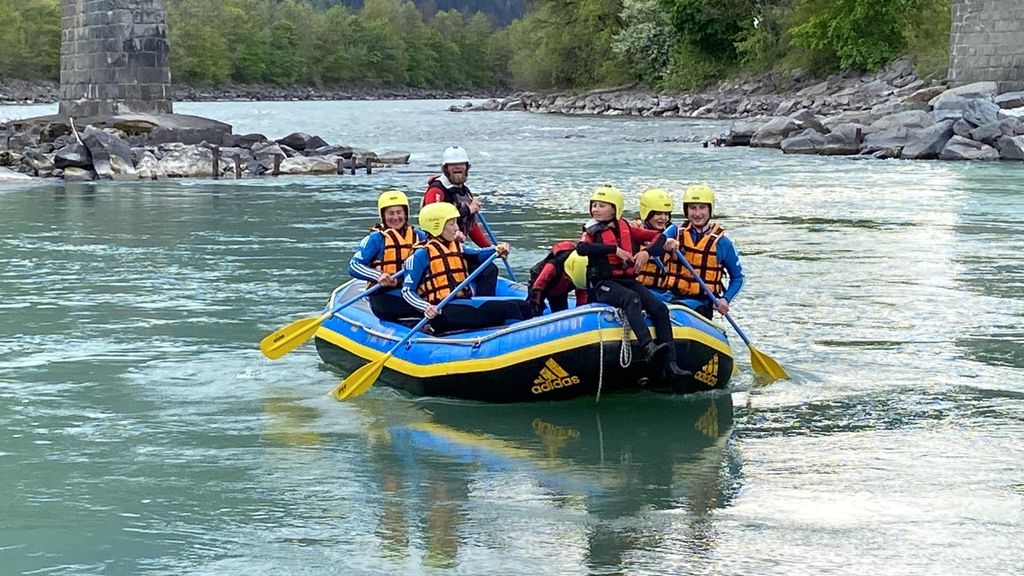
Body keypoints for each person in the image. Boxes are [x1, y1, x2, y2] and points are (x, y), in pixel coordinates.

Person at [576, 186, 690, 378]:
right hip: (604, 285)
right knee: (632, 299)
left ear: (615, 209)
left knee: (660, 309)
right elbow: (582, 248)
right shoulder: (592, 230)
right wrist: (614, 250)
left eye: (602, 206)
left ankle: (671, 365)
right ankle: (648, 347)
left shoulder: (627, 228)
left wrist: (647, 252)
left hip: (626, 280)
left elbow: (658, 237)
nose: (596, 209)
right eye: (594, 205)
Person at [402, 202, 534, 334]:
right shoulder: (421, 255)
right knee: (511, 309)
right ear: (436, 226)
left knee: (523, 306)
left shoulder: (456, 246)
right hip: (442, 311)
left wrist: (497, 250)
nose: (456, 228)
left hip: (461, 302)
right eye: (452, 224)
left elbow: (477, 254)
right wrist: (426, 307)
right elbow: (407, 291)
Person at [421, 145, 499, 296]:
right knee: (488, 270)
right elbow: (432, 219)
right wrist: (467, 210)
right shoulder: (436, 190)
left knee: (488, 264)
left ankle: (483, 300)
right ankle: (482, 307)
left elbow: (471, 226)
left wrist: (490, 249)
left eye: (461, 164)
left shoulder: (464, 191)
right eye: (452, 165)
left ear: (467, 167)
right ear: (445, 168)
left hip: (458, 249)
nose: (457, 167)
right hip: (437, 250)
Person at [661, 185, 744, 320]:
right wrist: (664, 244)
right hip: (671, 296)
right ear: (686, 210)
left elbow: (738, 278)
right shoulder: (674, 232)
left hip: (701, 303)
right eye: (693, 208)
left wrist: (725, 299)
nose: (697, 213)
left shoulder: (723, 243)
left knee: (671, 310)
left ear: (710, 210)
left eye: (702, 208)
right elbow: (654, 243)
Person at [348, 190, 427, 321]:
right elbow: (354, 266)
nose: (395, 217)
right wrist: (379, 276)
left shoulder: (420, 236)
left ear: (405, 214)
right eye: (390, 213)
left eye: (399, 212)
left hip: (413, 292)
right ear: (383, 216)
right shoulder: (376, 239)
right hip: (385, 295)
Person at [525, 241, 588, 316]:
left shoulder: (580, 268)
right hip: (541, 290)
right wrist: (536, 304)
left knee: (561, 313)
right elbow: (538, 286)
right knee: (533, 310)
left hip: (559, 293)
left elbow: (581, 292)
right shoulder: (553, 265)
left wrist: (581, 312)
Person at [631, 188, 675, 290]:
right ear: (647, 214)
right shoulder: (634, 231)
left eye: (666, 214)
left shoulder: (673, 234)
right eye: (658, 213)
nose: (663, 218)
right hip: (638, 287)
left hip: (663, 291)